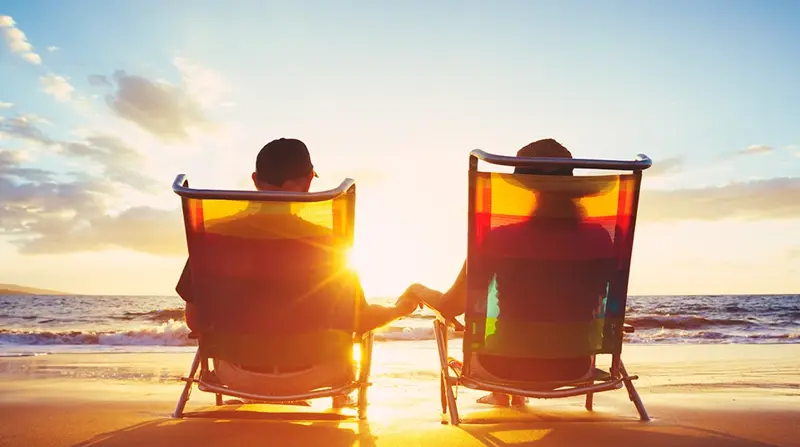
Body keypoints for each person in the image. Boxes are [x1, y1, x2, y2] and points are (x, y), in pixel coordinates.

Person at [177, 138, 419, 407]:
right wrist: (399, 309)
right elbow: (359, 320)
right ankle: (339, 400)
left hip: (233, 375)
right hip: (318, 375)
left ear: (256, 180)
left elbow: (195, 321)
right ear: (307, 182)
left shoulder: (214, 237)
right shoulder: (330, 243)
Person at [399, 138, 614, 407]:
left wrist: (417, 289)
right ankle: (510, 394)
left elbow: (451, 306)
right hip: (575, 366)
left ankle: (504, 391)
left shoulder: (499, 238)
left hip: (502, 367)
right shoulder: (601, 238)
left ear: (527, 189)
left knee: (506, 335)